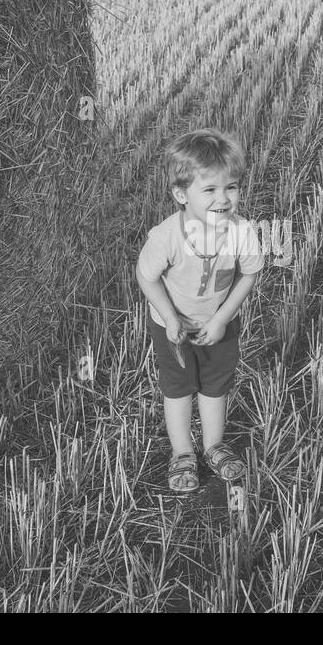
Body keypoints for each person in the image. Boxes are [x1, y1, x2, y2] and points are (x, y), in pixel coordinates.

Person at [135, 128, 264, 493]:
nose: (223, 199)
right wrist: (170, 317)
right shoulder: (166, 237)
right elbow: (147, 277)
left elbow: (250, 273)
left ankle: (213, 446)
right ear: (181, 194)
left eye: (231, 187)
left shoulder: (241, 232)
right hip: (171, 327)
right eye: (209, 190)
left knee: (215, 385)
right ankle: (182, 453)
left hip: (218, 325)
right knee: (177, 389)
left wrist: (222, 318)